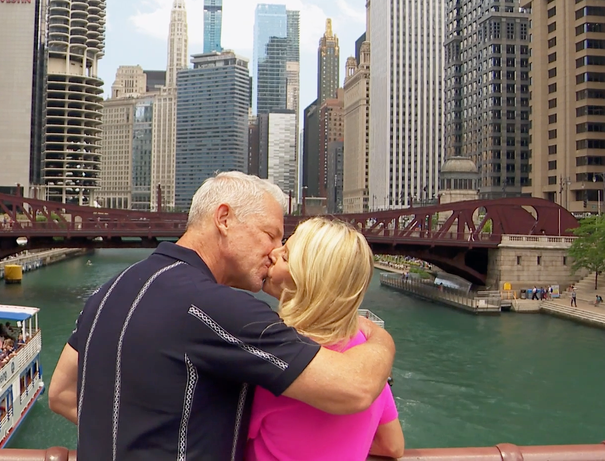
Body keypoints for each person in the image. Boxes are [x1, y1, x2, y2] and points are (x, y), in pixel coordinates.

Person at [49, 172, 395, 460]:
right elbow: (356, 387)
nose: (275, 251)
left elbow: (61, 392)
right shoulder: (218, 308)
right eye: (270, 234)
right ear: (225, 218)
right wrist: (381, 337)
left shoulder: (106, 291)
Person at [246, 218, 404, 460]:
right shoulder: (367, 357)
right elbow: (392, 446)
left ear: (308, 282)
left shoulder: (268, 351)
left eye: (286, 256)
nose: (273, 252)